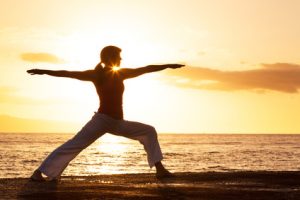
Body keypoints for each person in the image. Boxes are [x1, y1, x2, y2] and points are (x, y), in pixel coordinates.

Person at [27, 45, 184, 181]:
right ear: (110, 57)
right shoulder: (95, 75)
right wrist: (43, 71)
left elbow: (145, 69)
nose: (121, 59)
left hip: (117, 123)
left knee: (149, 130)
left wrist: (167, 65)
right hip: (101, 120)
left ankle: (160, 170)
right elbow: (68, 73)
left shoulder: (121, 73)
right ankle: (38, 173)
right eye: (118, 56)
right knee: (74, 145)